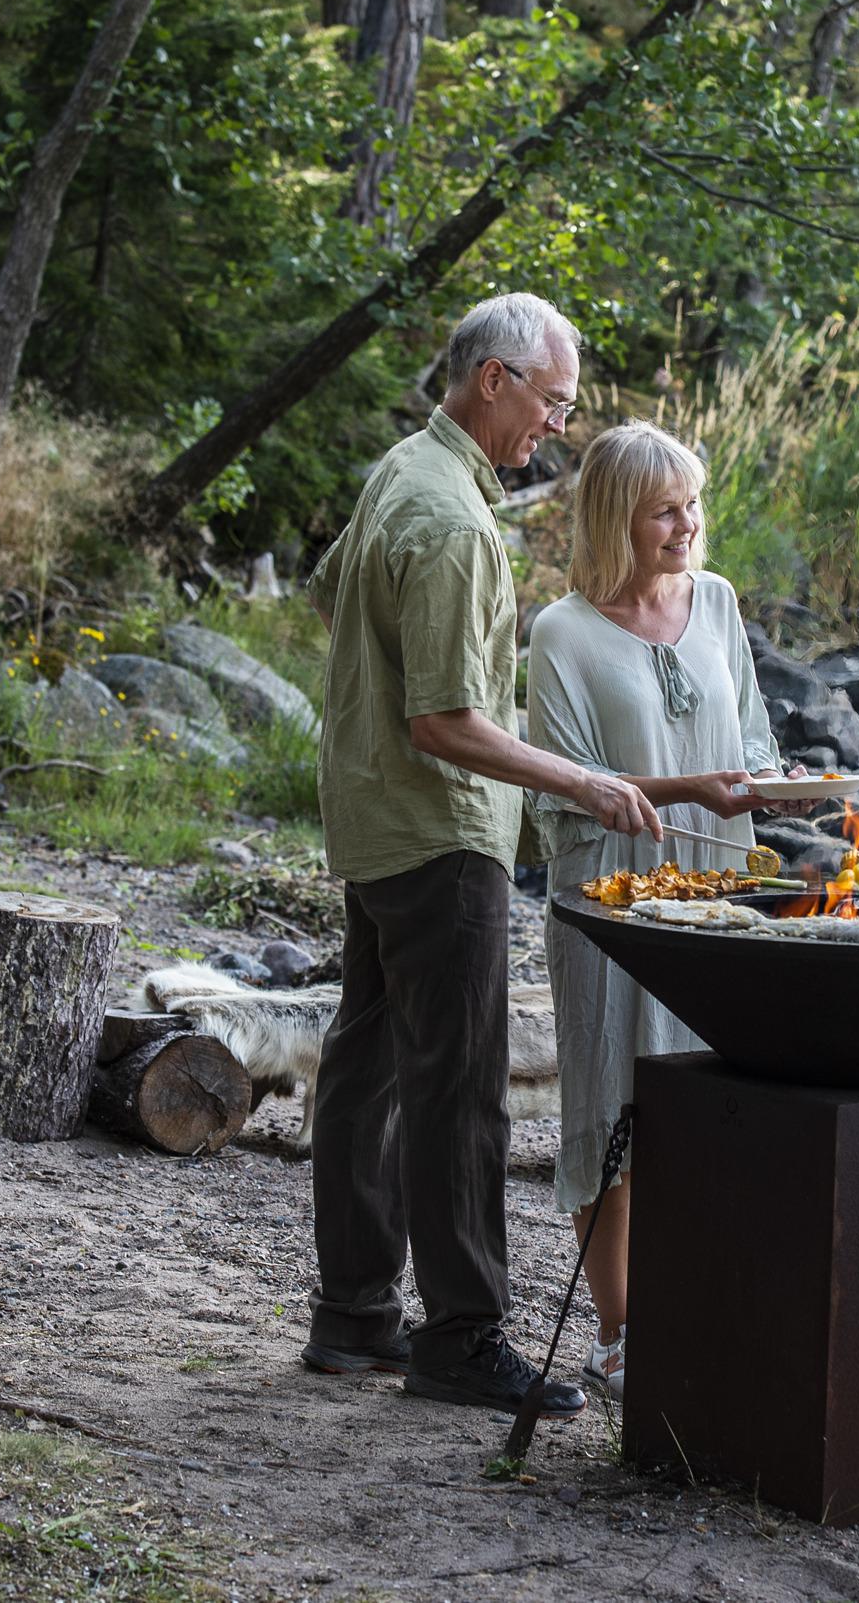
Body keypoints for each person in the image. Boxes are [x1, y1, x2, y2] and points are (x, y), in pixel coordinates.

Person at [301, 292, 660, 1420]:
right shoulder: (452, 519)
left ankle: (355, 1313)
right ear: (492, 380)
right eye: (551, 403)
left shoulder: (404, 469)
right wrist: (584, 779)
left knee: (363, 1070)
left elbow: (330, 598)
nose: (556, 426)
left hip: (369, 817)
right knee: (458, 1091)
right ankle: (461, 1334)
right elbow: (446, 721)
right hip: (438, 829)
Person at [525, 420, 804, 1403]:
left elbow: (756, 741)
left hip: (720, 901)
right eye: (664, 509)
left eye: (693, 502)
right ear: (616, 517)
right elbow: (561, 788)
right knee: (613, 1113)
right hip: (610, 902)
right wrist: (697, 789)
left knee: (714, 1106)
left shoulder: (716, 602)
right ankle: (617, 1336)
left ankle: (698, 1314)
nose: (687, 524)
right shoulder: (560, 632)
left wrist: (781, 787)